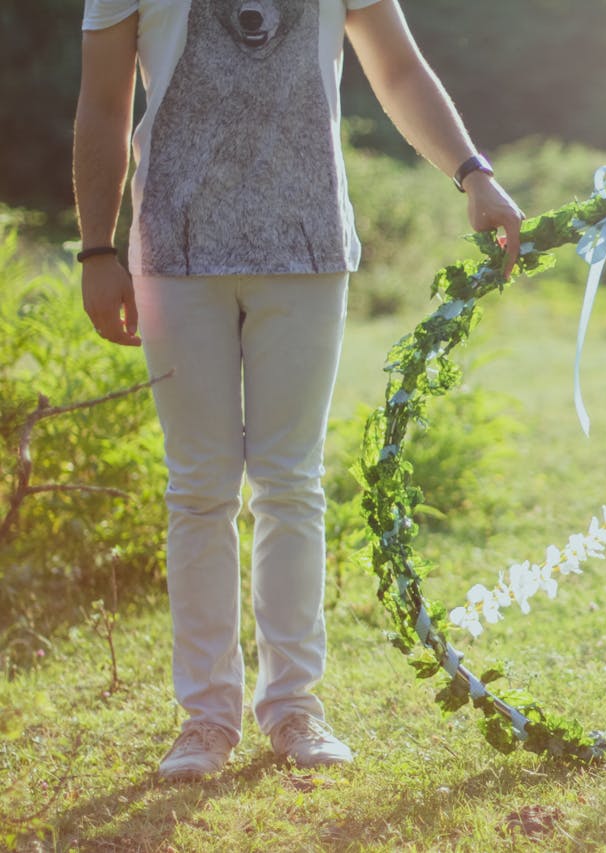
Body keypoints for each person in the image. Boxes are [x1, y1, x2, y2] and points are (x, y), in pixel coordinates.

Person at [74, 0, 524, 781]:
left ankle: (293, 707)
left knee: (290, 483)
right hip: (173, 253)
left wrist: (472, 171)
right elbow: (105, 102)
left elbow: (398, 69)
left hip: (308, 247)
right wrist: (95, 248)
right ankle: (205, 718)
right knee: (199, 488)